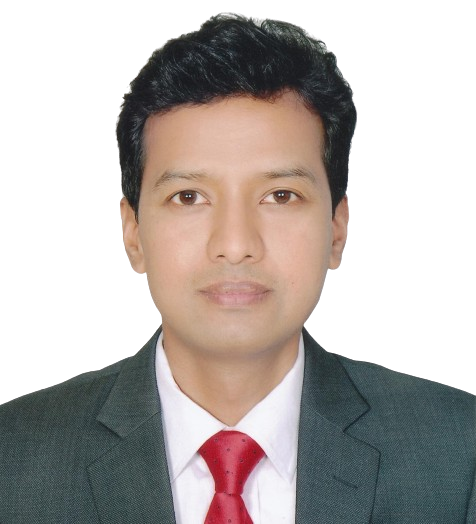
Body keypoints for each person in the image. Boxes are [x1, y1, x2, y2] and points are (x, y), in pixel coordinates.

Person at [1, 13, 474, 524]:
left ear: (337, 229)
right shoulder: (13, 455)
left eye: (280, 195)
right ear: (132, 232)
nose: (234, 245)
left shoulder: (459, 449)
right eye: (189, 197)